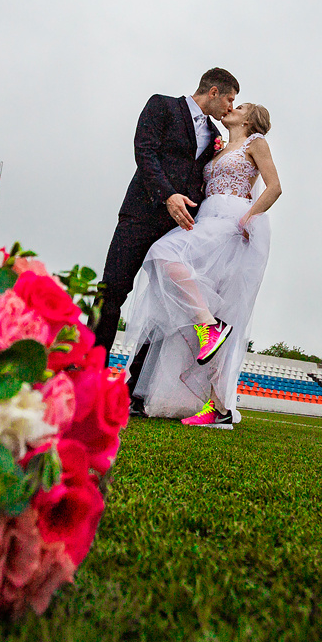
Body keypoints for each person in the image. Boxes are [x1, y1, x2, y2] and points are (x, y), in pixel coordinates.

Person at [125, 102, 281, 428]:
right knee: (189, 286)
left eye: (238, 106)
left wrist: (248, 219)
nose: (230, 108)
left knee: (163, 254)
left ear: (250, 118)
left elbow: (274, 187)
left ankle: (211, 333)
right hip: (207, 218)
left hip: (233, 223)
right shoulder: (219, 148)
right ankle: (219, 403)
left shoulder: (256, 143)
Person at [96, 68, 238, 414]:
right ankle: (91, 377)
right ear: (214, 91)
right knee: (112, 291)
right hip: (141, 214)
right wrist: (168, 195)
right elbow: (144, 152)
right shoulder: (162, 106)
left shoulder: (216, 134)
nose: (231, 107)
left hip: (180, 229)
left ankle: (135, 391)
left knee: (162, 310)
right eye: (230, 99)